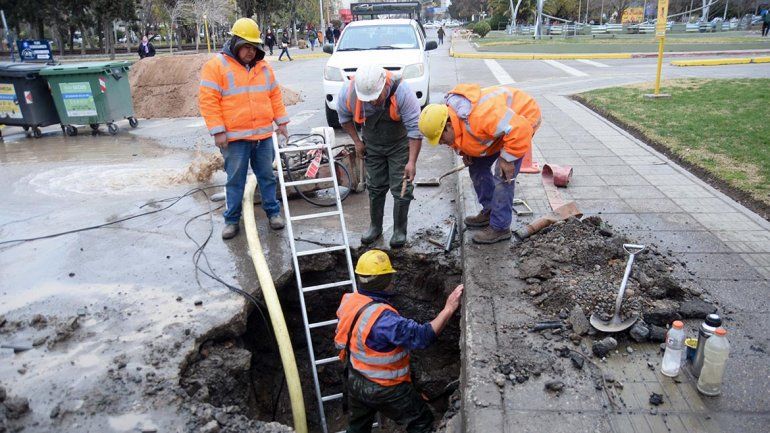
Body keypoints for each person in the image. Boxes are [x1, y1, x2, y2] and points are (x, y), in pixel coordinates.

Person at [335, 250, 464, 433]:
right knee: (422, 421)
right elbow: (422, 337)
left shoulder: (348, 301)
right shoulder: (385, 320)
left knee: (357, 428)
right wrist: (449, 309)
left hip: (355, 379)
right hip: (385, 388)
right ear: (385, 281)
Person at [198, 18, 289, 239]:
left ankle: (273, 213)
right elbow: (208, 101)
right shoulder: (216, 66)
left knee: (267, 176)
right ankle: (231, 220)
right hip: (235, 139)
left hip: (263, 136)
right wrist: (218, 130)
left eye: (254, 46)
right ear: (235, 41)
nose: (250, 51)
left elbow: (274, 96)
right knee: (235, 181)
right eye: (246, 46)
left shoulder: (264, 68)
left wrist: (282, 122)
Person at [418, 84, 541, 244]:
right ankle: (490, 210)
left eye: (441, 138)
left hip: (522, 120)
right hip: (502, 128)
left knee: (502, 175)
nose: (441, 143)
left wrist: (507, 159)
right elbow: (464, 135)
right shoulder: (457, 120)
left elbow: (519, 129)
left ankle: (500, 227)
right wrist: (466, 152)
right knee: (476, 166)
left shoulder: (480, 117)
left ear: (448, 126)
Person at [337, 65, 422, 248]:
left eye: (376, 98)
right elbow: (344, 118)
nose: (373, 102)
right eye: (368, 100)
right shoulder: (349, 92)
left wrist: (411, 161)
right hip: (372, 145)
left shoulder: (403, 92)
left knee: (402, 187)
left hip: (399, 145)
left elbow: (415, 130)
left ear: (384, 86)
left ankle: (399, 230)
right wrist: (357, 142)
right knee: (375, 186)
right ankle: (375, 227)